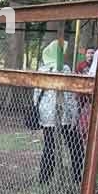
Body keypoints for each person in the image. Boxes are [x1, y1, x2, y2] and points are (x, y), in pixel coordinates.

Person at [33, 40, 80, 185]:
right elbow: (69, 95)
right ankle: (78, 177)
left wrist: (39, 110)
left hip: (45, 114)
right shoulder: (64, 68)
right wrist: (74, 114)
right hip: (63, 113)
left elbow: (36, 93)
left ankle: (44, 178)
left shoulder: (42, 69)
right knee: (75, 146)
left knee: (49, 146)